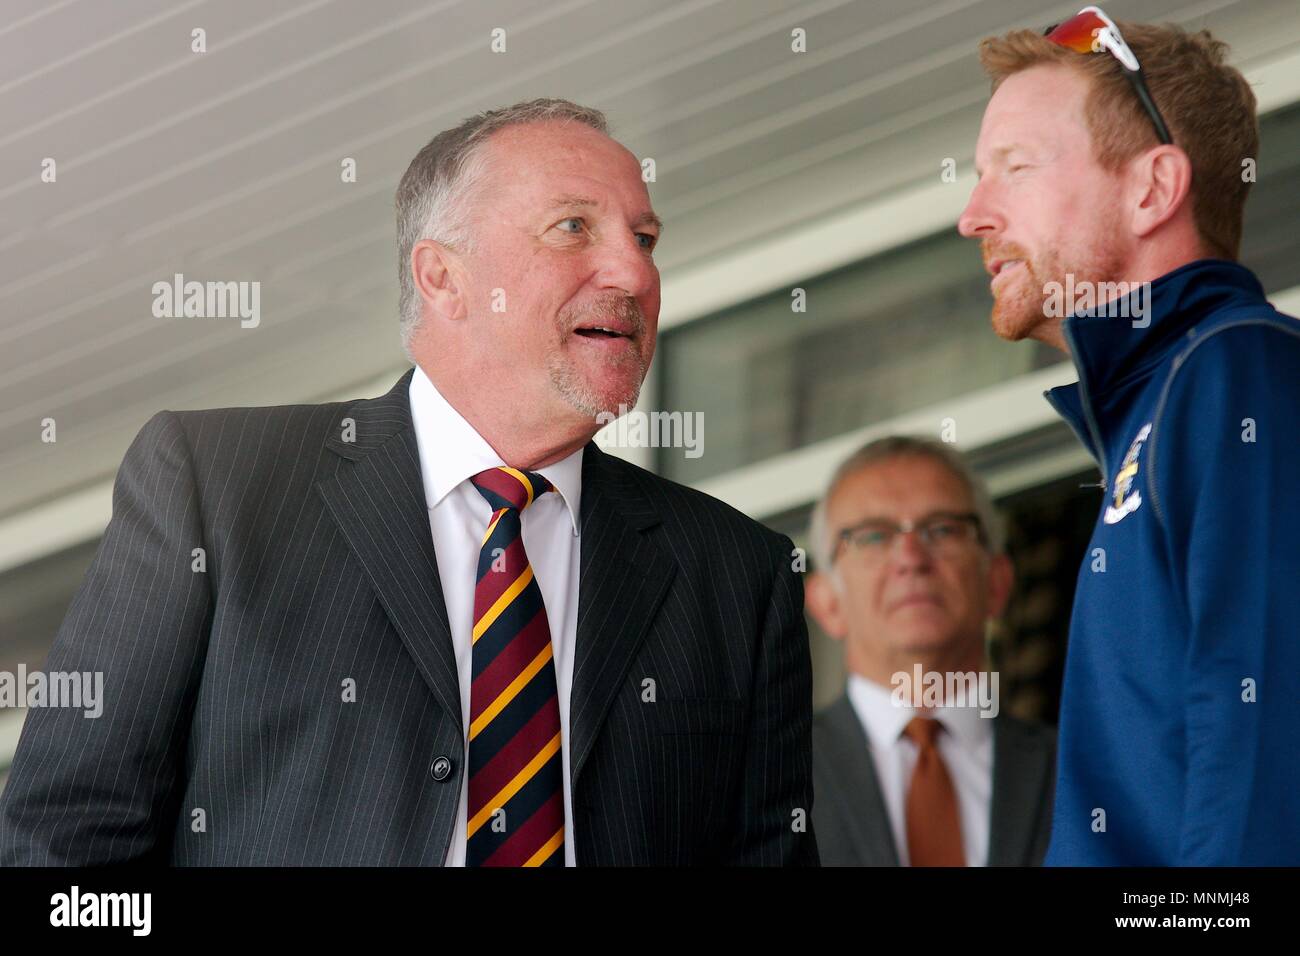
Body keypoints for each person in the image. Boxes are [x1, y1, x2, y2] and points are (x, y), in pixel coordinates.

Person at [0, 99, 817, 866]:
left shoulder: (737, 573)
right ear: (442, 278)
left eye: (645, 239)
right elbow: (64, 840)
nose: (634, 275)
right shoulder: (217, 487)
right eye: (574, 227)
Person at [958, 8, 1300, 864]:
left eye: (1016, 169)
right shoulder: (1164, 401)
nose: (973, 215)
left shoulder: (1235, 368)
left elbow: (1260, 731)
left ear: (1152, 189)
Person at [806, 437, 1055, 867]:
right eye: (873, 536)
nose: (911, 557)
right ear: (827, 602)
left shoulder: (1078, 771)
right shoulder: (764, 778)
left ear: (996, 583)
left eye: (942, 529)